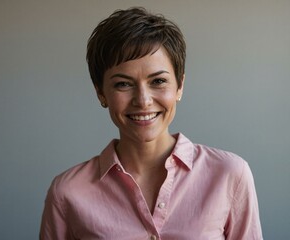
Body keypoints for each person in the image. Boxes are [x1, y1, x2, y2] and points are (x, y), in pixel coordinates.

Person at [40, 7, 263, 240]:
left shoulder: (230, 175)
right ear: (101, 93)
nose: (143, 101)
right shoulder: (67, 193)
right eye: (123, 84)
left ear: (180, 86)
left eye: (158, 81)